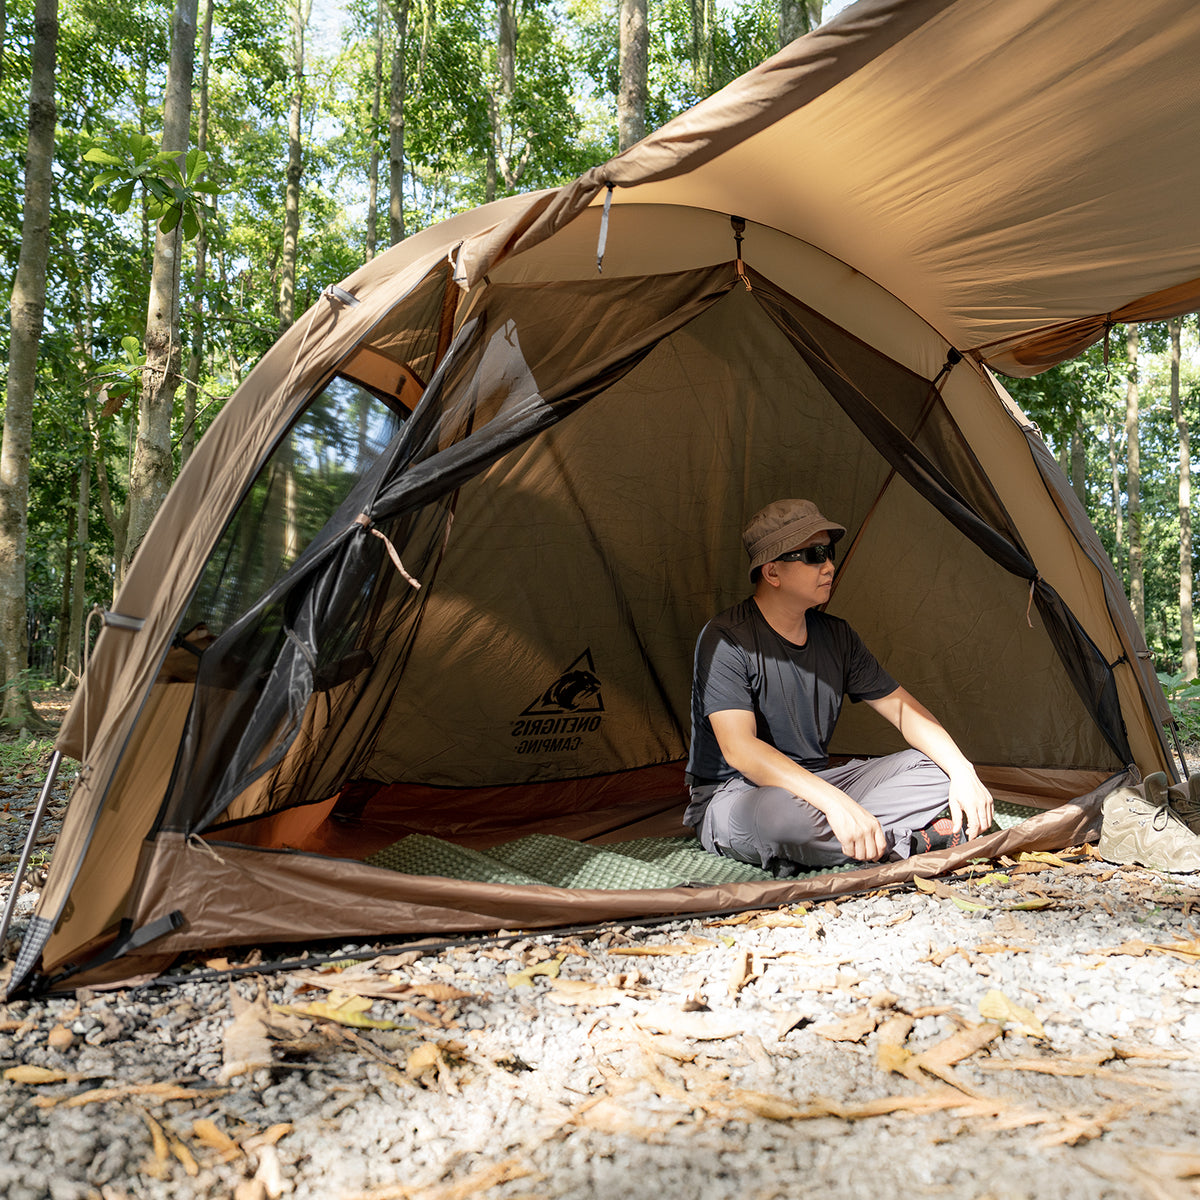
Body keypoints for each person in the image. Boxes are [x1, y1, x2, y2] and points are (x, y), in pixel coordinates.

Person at [685, 498, 994, 873]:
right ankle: (908, 841)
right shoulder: (726, 639)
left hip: (821, 782)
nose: (829, 565)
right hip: (738, 793)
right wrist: (834, 802)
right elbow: (740, 750)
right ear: (772, 573)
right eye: (814, 555)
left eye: (829, 552)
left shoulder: (837, 637)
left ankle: (826, 845)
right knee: (781, 819)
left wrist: (964, 771)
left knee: (935, 766)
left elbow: (904, 711)